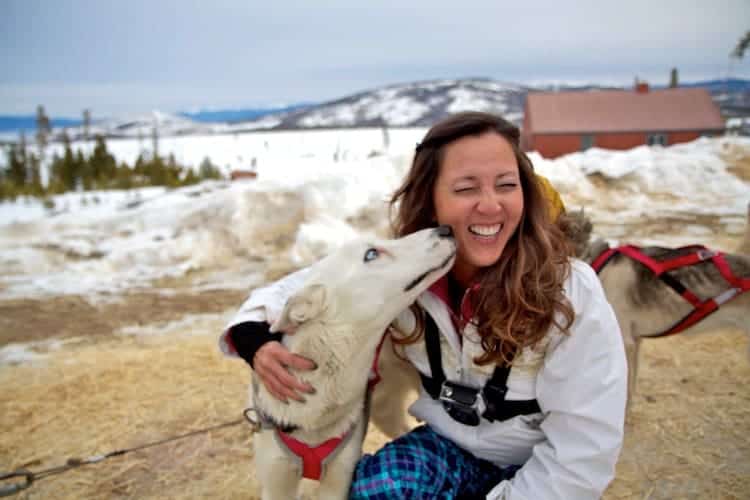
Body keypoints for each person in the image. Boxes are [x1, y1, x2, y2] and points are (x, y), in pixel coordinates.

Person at [219, 111, 627, 499]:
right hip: (450, 448)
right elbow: (298, 288)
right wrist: (252, 338)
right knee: (373, 488)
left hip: (539, 460)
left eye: (506, 184)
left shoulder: (569, 291)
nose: (490, 205)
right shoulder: (407, 272)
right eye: (466, 188)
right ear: (430, 200)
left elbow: (583, 448)